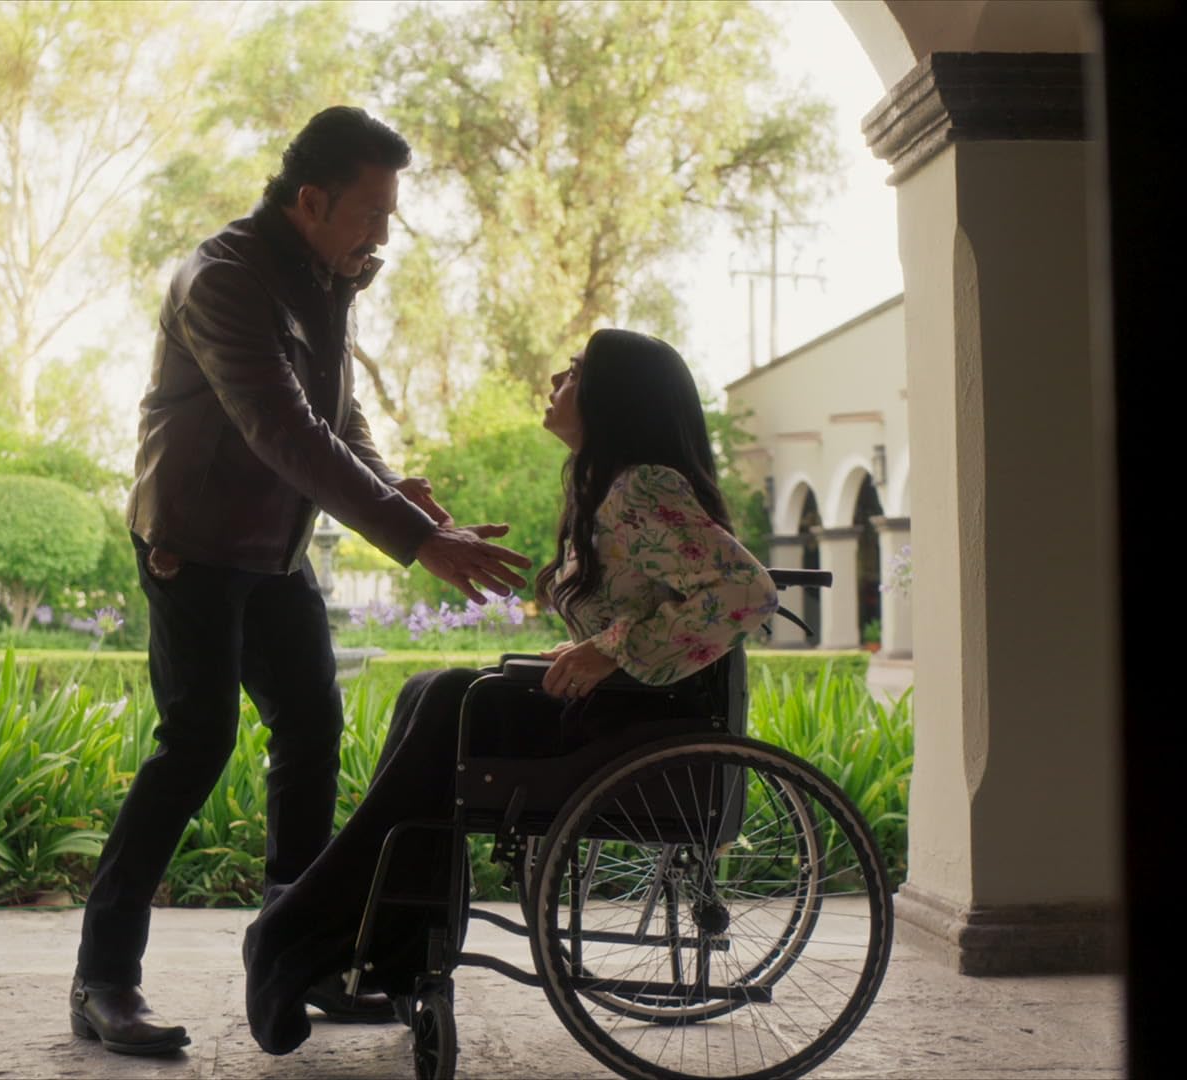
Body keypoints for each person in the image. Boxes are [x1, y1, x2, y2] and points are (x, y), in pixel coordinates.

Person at [69, 106, 533, 1057]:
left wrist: (397, 492)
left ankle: (298, 954)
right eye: (371, 212)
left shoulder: (327, 277)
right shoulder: (223, 278)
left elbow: (338, 416)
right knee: (196, 745)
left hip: (275, 552)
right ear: (312, 200)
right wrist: (416, 539)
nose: (382, 234)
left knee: (313, 728)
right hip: (193, 545)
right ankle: (102, 979)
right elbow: (282, 429)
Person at [240, 327, 782, 1056]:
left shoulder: (641, 488)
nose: (557, 380)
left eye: (575, 372)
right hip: (621, 710)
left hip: (636, 726)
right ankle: (380, 942)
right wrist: (595, 647)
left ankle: (303, 933)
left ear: (615, 398)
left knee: (451, 698)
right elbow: (652, 600)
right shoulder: (611, 486)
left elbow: (746, 592)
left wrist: (611, 649)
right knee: (431, 691)